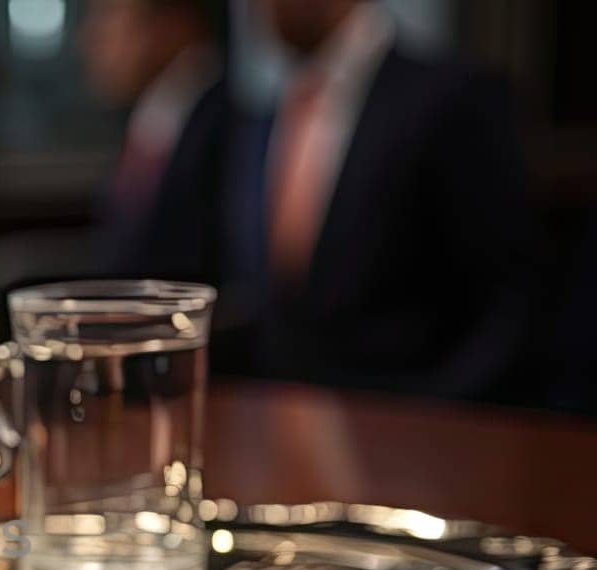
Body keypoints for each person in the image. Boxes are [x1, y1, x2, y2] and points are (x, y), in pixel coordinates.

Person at [227, 0, 537, 400]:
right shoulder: (266, 115)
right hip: (275, 426)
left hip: (407, 430)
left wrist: (439, 419)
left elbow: (511, 303)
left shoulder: (451, 95)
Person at [81, 0, 227, 283]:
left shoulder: (226, 123)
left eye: (107, 17)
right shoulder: (153, 115)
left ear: (173, 25)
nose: (89, 39)